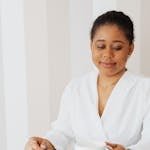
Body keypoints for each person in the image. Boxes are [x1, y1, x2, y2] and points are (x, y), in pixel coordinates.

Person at [25, 10, 150, 150]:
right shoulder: (76, 88)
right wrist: (47, 143)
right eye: (100, 46)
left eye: (117, 47)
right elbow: (62, 131)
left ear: (130, 49)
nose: (107, 55)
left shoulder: (145, 89)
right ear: (91, 46)